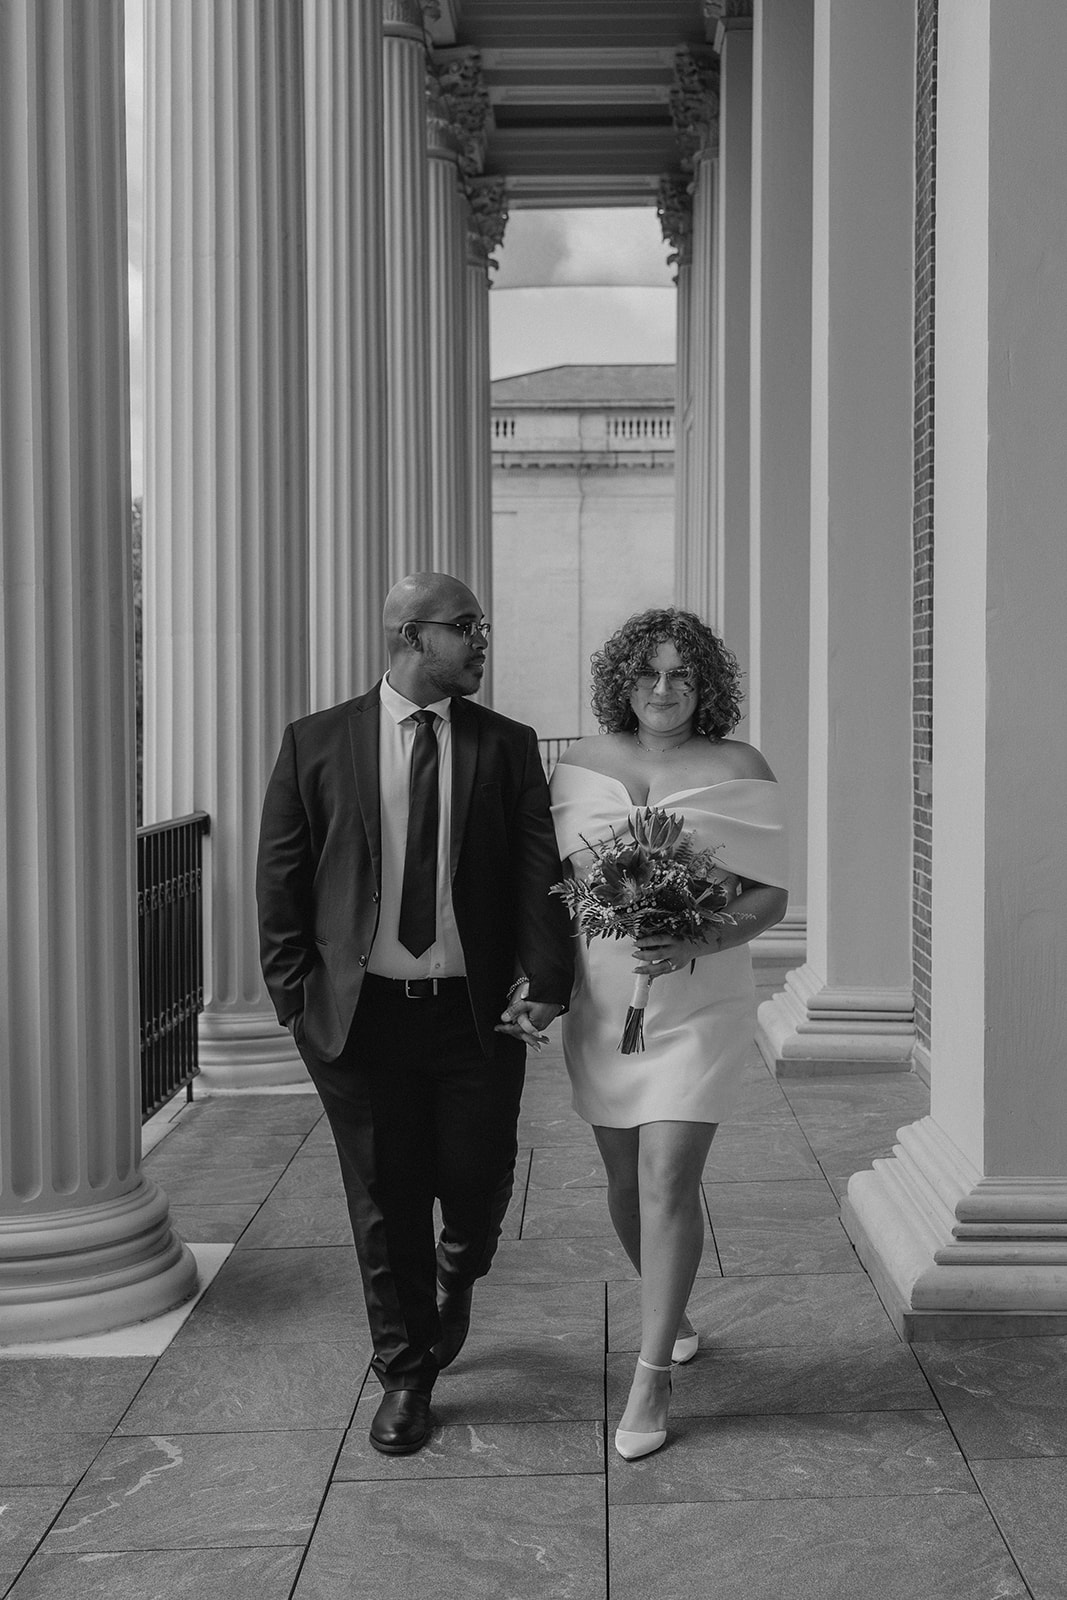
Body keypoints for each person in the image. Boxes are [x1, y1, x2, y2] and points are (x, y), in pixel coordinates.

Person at [256, 572, 574, 1456]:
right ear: (409, 634)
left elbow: (535, 870)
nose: (481, 641)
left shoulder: (505, 744)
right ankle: (404, 1374)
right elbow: (280, 880)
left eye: (482, 627)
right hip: (361, 1023)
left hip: (474, 1018)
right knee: (385, 1200)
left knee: (472, 1183)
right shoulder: (316, 741)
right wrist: (295, 1003)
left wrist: (548, 981)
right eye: (466, 626)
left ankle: (458, 1265)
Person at [549, 608, 789, 1461]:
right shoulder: (582, 763)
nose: (662, 689)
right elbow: (556, 886)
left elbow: (768, 898)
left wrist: (697, 935)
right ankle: (672, 1306)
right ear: (623, 679)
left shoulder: (738, 764)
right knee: (622, 1182)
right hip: (606, 997)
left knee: (666, 1175)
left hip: (703, 999)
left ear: (705, 686)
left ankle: (650, 1378)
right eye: (647, 673)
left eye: (681, 675)